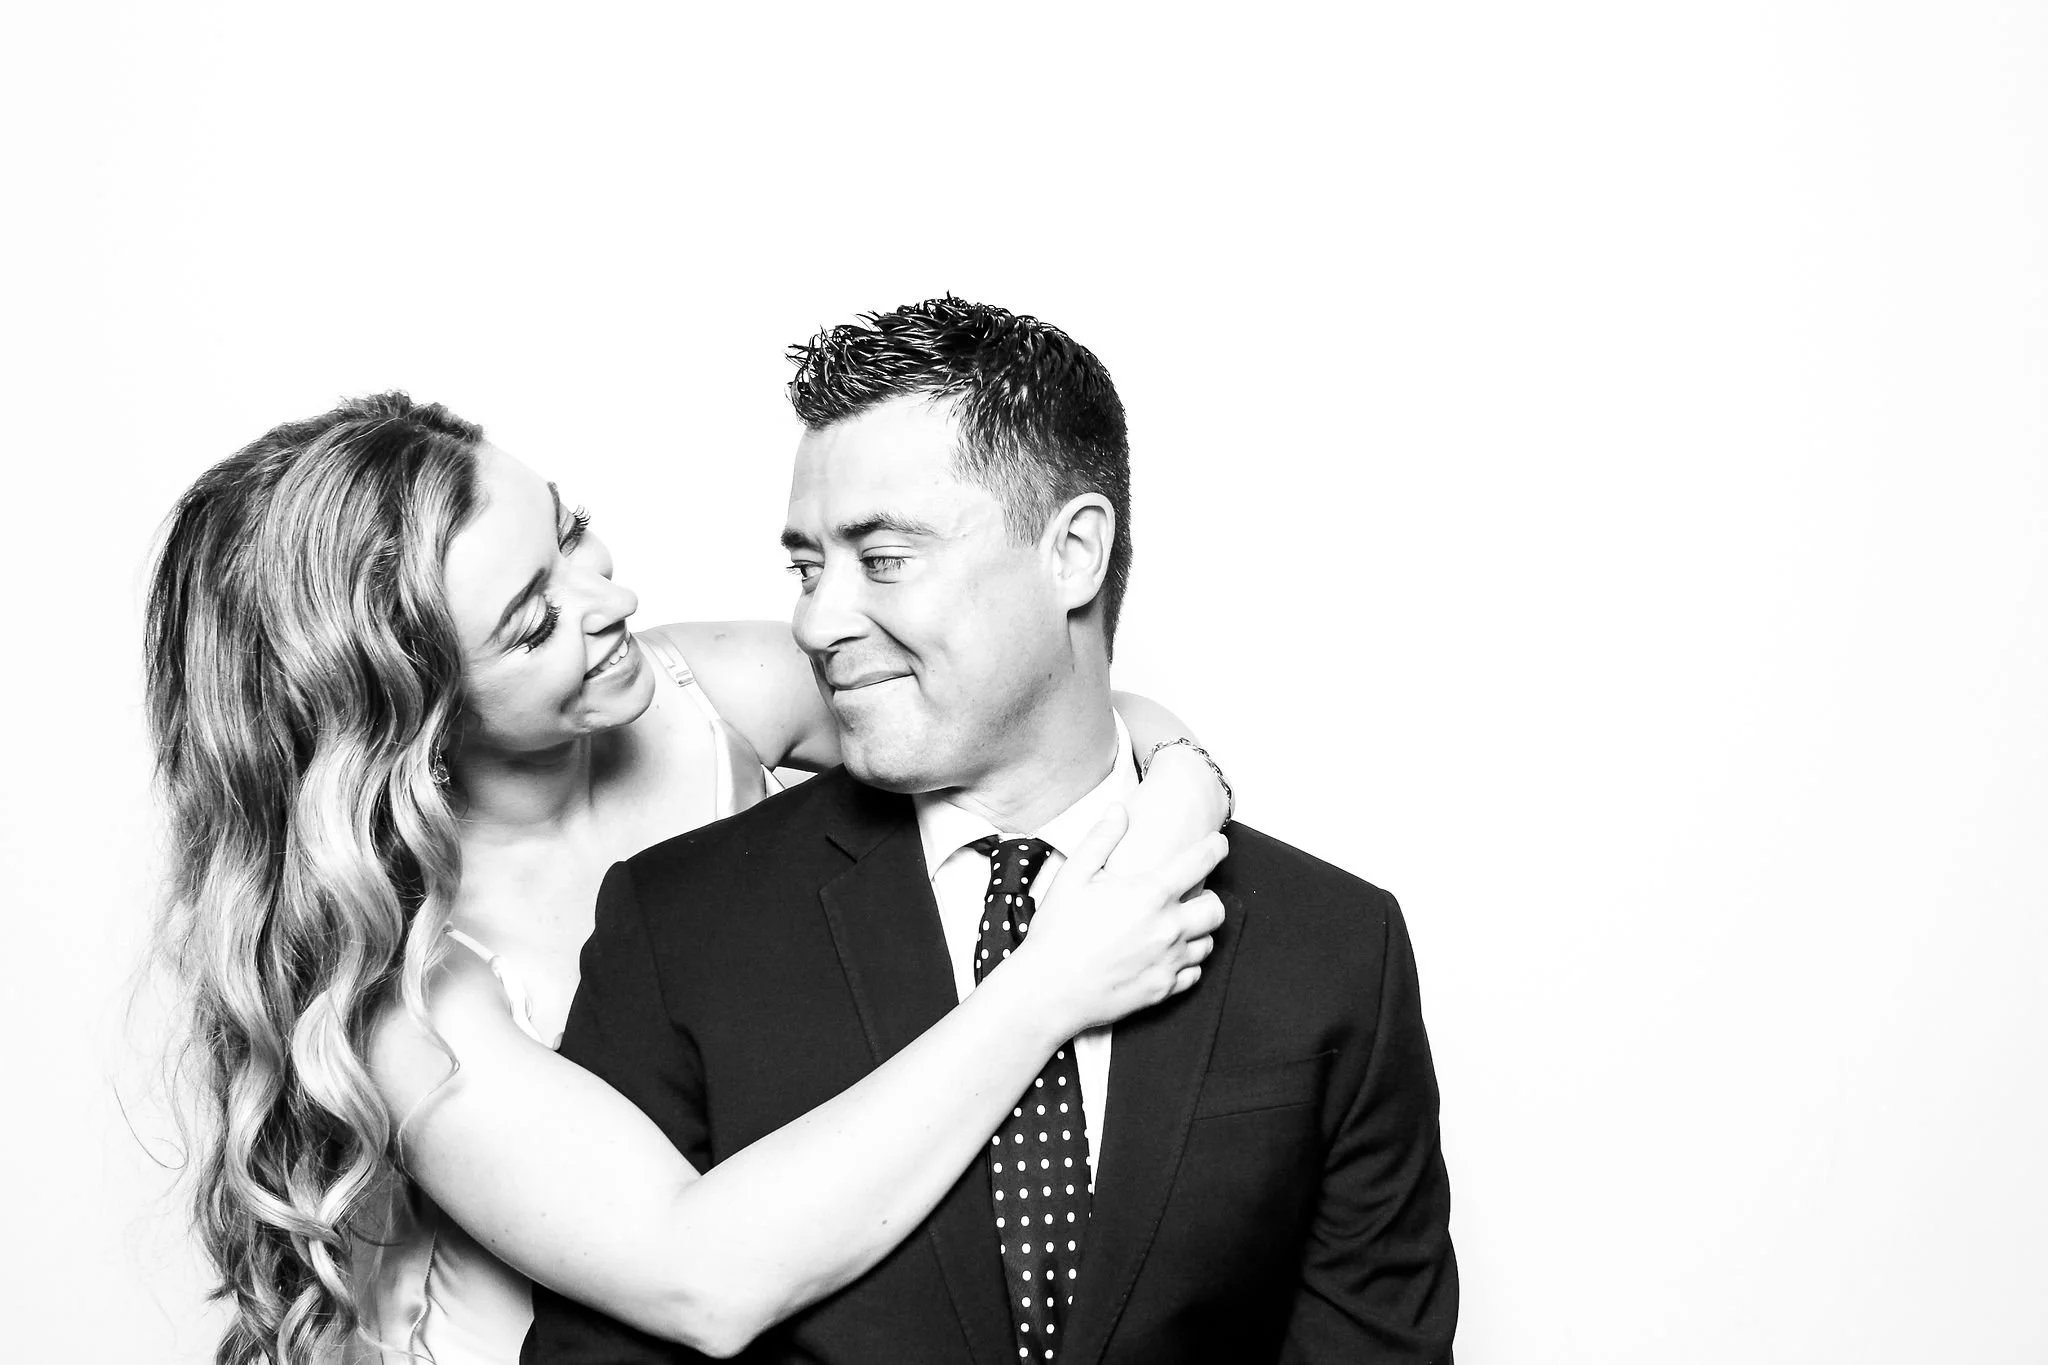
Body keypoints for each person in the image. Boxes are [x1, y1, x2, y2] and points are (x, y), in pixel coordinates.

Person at [144, 392, 1237, 1365]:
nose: (605, 599)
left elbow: (1023, 713)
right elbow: (700, 1278)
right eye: (533, 623)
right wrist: (1050, 986)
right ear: (410, 716)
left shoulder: (713, 695)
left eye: (569, 529)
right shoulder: (399, 992)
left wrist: (1180, 791)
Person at [527, 298, 1459, 1365]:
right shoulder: (678, 925)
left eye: (881, 559)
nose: (815, 622)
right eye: (804, 568)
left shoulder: (1334, 944)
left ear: (1072, 554)